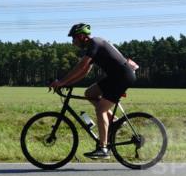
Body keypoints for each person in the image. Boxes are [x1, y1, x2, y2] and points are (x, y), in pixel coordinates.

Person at [49, 23, 137, 159]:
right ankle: (114, 121)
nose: (73, 43)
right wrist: (68, 82)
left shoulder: (95, 43)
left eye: (73, 39)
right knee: (90, 93)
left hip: (122, 77)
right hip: (116, 77)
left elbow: (81, 65)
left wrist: (61, 82)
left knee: (101, 109)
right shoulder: (93, 46)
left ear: (81, 36)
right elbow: (85, 71)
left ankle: (103, 149)